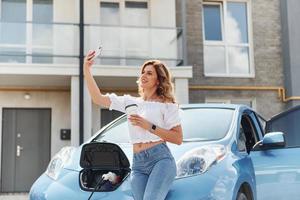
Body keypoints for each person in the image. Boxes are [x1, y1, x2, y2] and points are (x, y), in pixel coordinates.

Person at [84, 50, 183, 200]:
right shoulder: (130, 102)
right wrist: (86, 68)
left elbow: (178, 138)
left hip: (160, 160)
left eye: (149, 73)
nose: (144, 75)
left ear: (158, 80)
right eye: (143, 72)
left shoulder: (167, 105)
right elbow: (98, 98)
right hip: (138, 164)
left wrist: (149, 126)